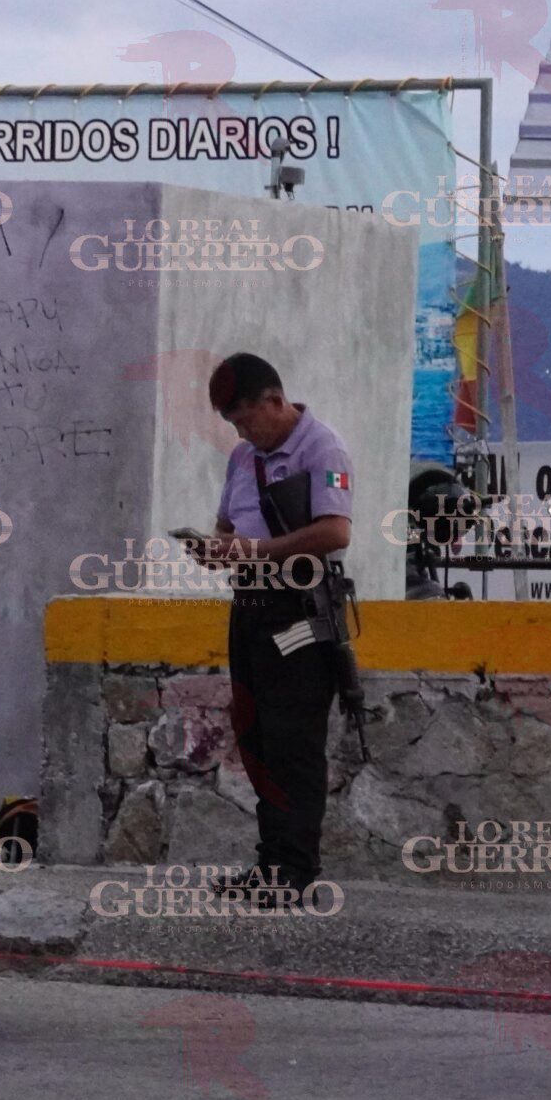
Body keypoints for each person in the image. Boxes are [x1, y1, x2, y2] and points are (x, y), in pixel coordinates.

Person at [188, 353, 352, 902]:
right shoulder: (242, 458)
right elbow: (227, 526)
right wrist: (215, 549)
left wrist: (256, 550)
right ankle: (270, 863)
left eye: (245, 419)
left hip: (300, 610)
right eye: (232, 423)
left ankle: (295, 870)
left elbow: (334, 532)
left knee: (293, 741)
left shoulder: (320, 447)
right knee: (255, 736)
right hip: (251, 606)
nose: (241, 432)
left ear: (275, 402)